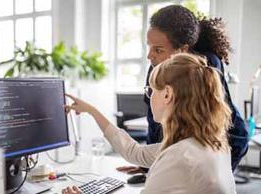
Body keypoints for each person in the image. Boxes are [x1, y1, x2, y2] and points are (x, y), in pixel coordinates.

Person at [62, 53, 236, 194]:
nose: (148, 97)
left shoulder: (180, 157)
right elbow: (135, 153)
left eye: (151, 90)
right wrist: (92, 111)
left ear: (167, 94)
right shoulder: (210, 144)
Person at [117, 5, 248, 178]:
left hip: (228, 141)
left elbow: (204, 127)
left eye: (158, 49)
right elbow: (155, 121)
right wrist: (148, 165)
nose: (150, 56)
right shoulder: (156, 65)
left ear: (183, 49)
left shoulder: (205, 65)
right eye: (149, 47)